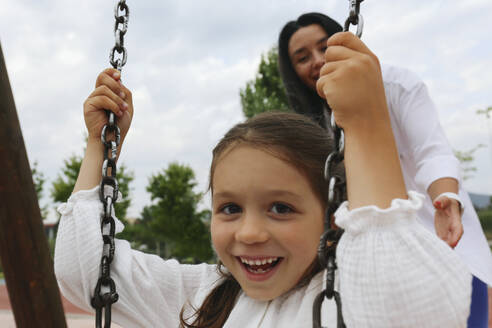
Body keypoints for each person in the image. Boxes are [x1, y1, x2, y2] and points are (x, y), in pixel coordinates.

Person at [55, 54, 471, 327]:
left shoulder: (345, 298)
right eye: (230, 208)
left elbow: (414, 307)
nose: (249, 232)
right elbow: (88, 271)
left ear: (332, 216)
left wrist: (366, 124)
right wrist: (100, 146)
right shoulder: (206, 295)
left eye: (281, 208)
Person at [278, 12, 491, 326]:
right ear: (293, 71)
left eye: (325, 48)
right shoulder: (312, 126)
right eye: (302, 57)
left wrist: (445, 198)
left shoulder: (395, 85)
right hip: (373, 254)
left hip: (436, 228)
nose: (317, 60)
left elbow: (432, 151)